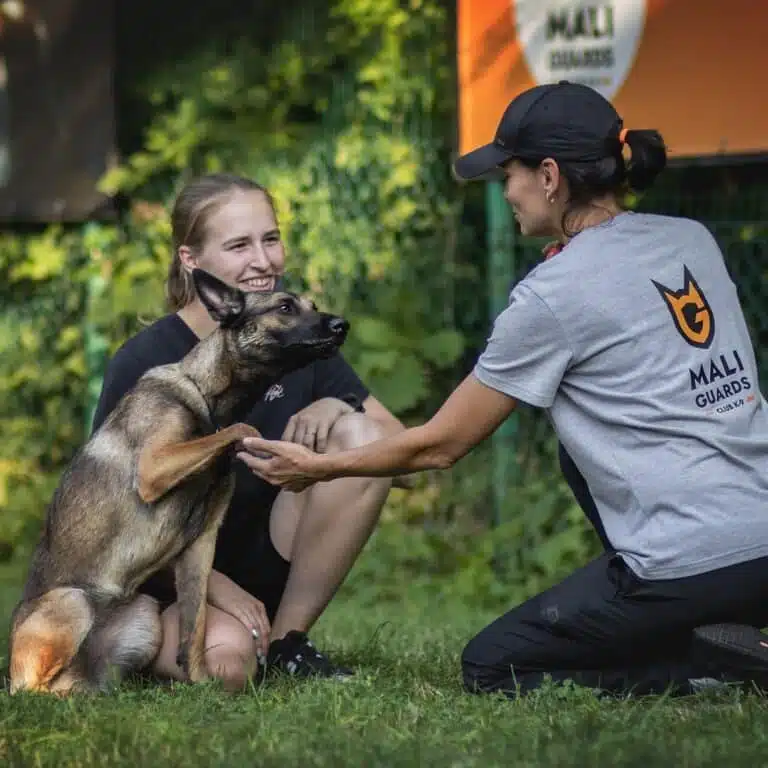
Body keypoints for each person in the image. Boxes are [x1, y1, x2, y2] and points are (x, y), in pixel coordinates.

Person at [237, 81, 768, 698]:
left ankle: (714, 667)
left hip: (689, 563)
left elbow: (438, 446)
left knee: (495, 665)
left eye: (507, 174)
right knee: (577, 450)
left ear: (548, 177)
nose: (505, 190)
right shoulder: (690, 239)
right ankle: (719, 632)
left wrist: (319, 468)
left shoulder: (554, 293)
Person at [91, 172, 404, 691]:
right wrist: (216, 589)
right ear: (191, 260)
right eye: (238, 245)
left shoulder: (297, 334)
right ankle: (150, 639)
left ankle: (286, 643)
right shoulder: (146, 363)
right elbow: (118, 521)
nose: (263, 261)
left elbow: (402, 457)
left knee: (361, 435)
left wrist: (335, 404)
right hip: (173, 577)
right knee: (226, 668)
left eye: (270, 238)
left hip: (271, 552)